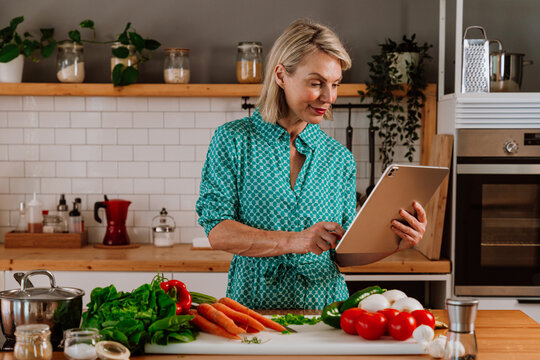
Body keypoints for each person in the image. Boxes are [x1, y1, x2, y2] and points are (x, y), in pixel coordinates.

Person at [195, 19, 427, 310]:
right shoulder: (234, 140)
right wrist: (296, 241)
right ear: (281, 75)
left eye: (335, 84)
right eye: (316, 83)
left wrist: (395, 243)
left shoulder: (338, 158)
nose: (328, 97)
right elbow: (218, 231)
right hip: (254, 309)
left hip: (326, 311)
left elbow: (341, 253)